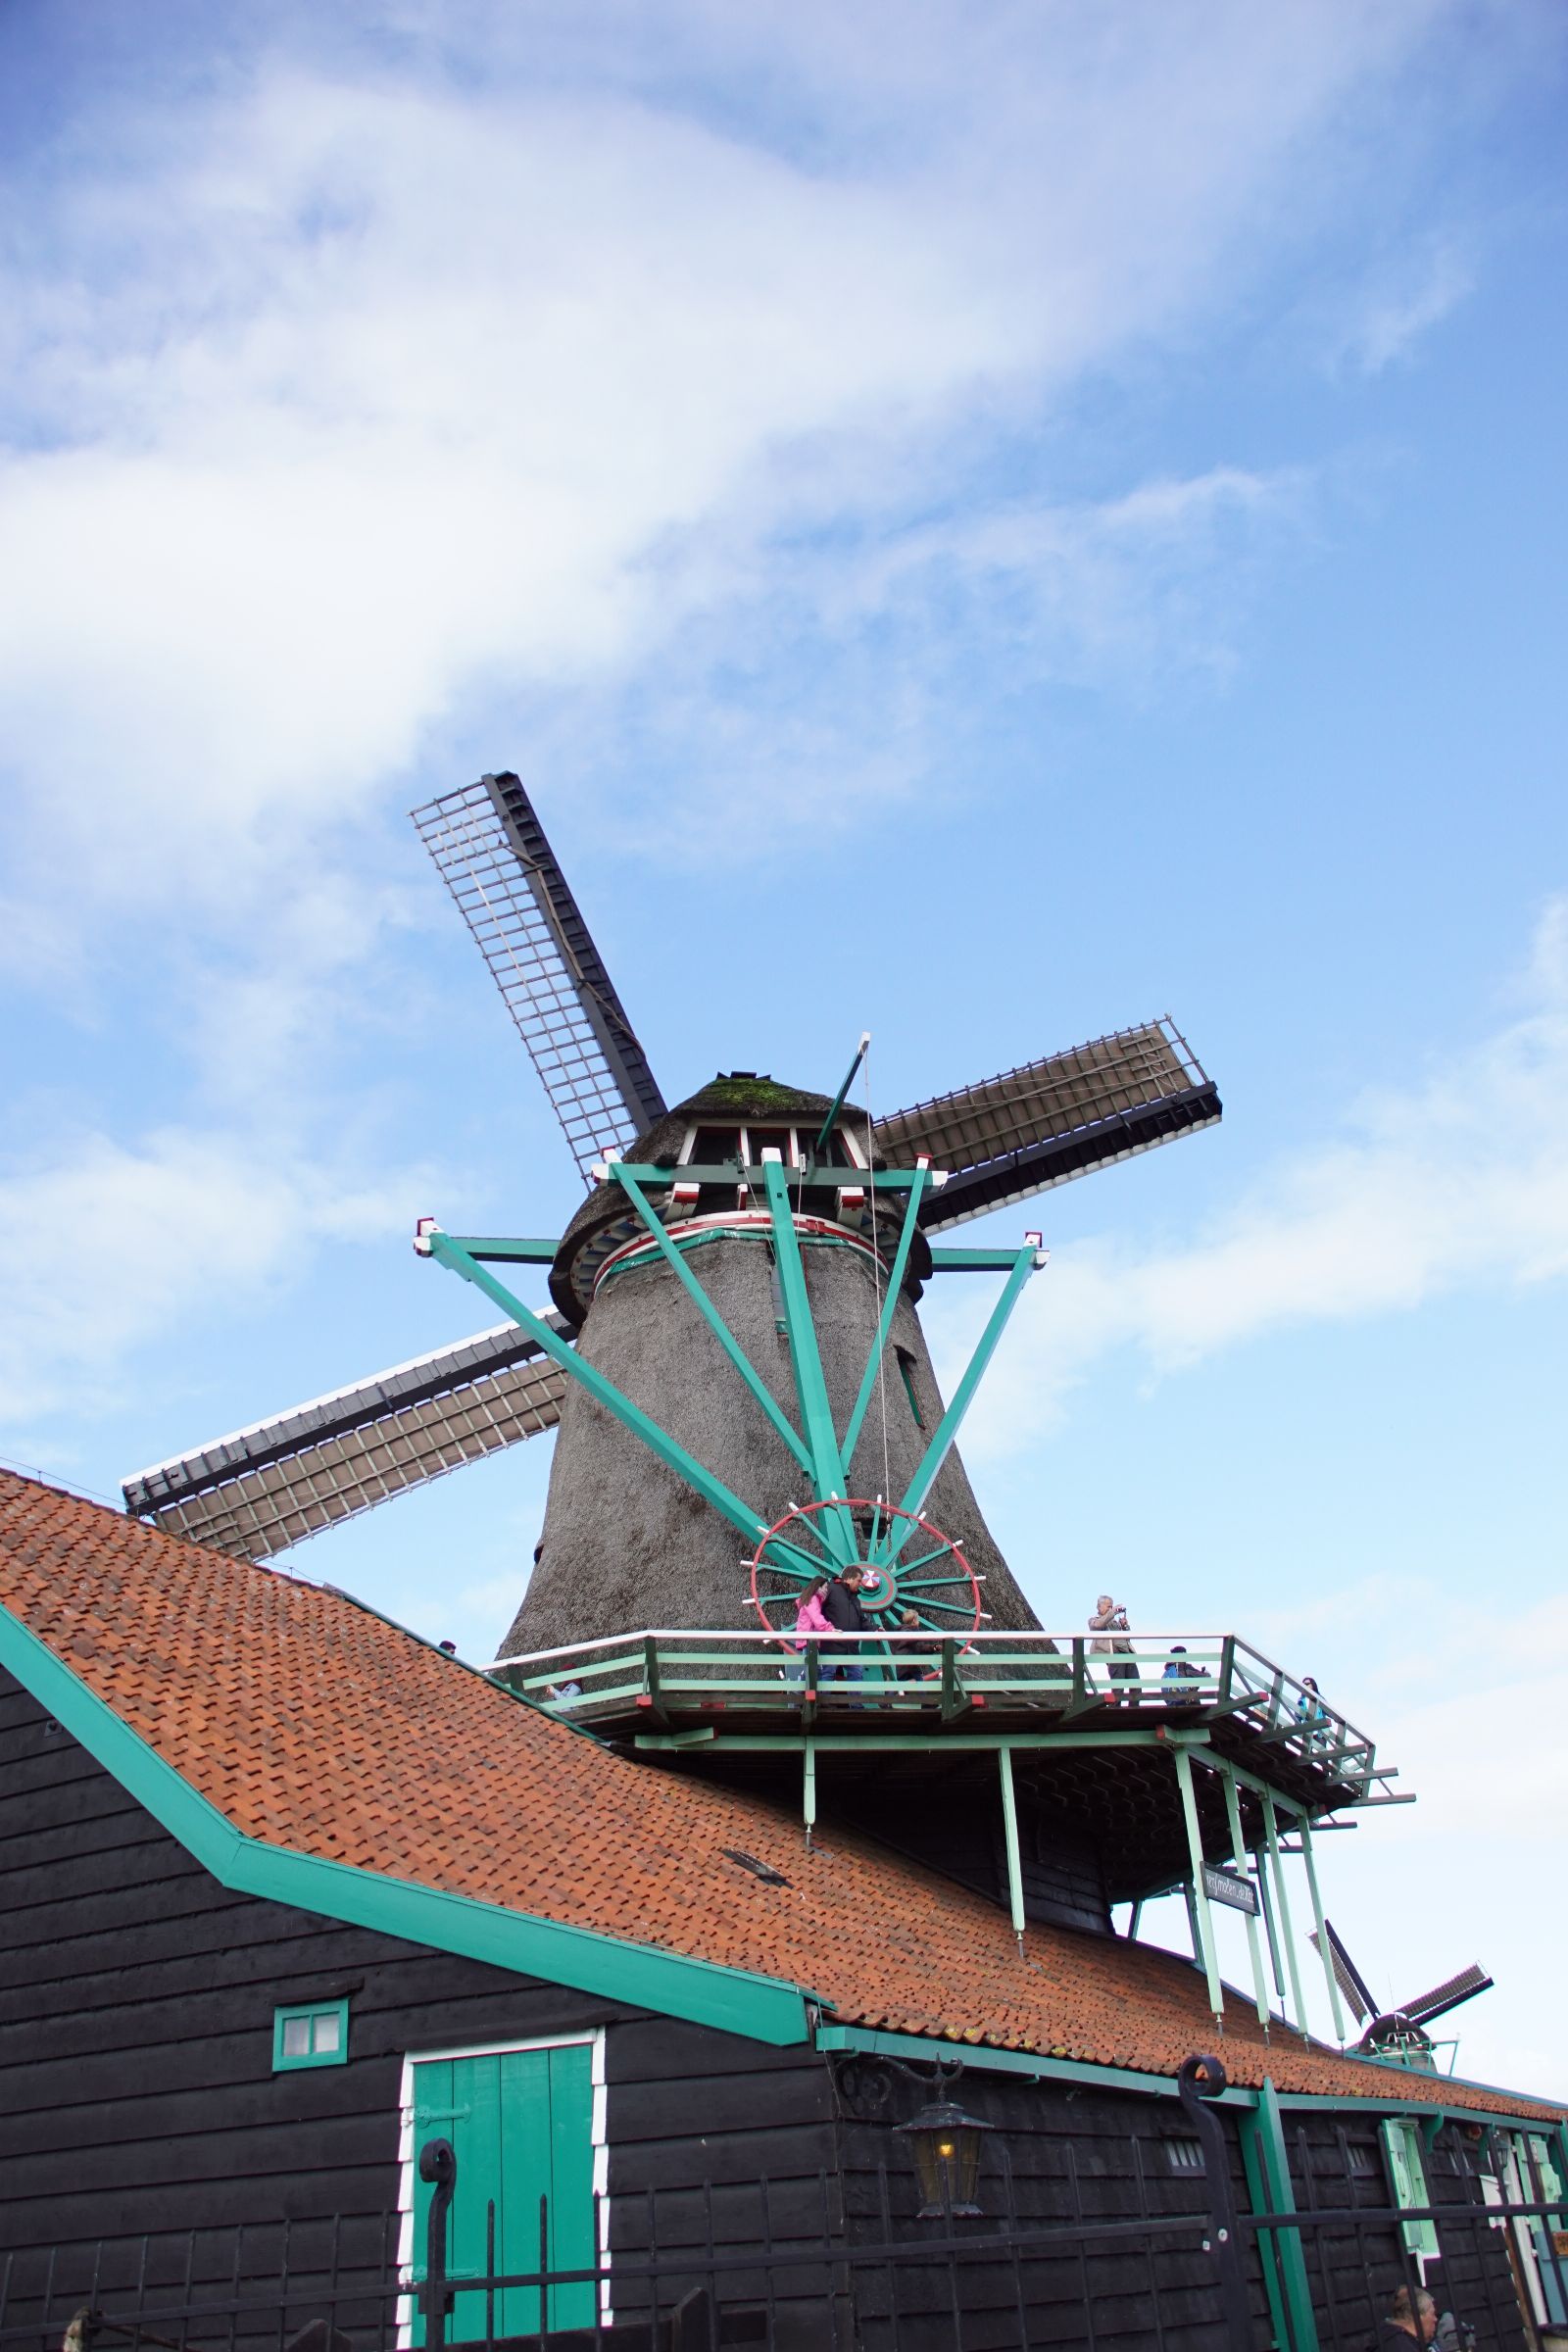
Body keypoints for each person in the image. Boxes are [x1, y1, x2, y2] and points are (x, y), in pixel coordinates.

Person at [820, 1567, 870, 1696]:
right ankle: (822, 1704)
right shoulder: (831, 1589)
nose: (861, 1584)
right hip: (832, 1644)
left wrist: (875, 1628)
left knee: (856, 1672)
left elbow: (861, 1620)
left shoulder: (855, 1599)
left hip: (850, 1647)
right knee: (828, 1673)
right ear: (848, 1578)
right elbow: (815, 1607)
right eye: (859, 1580)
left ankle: (855, 1706)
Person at [1090, 1595, 1139, 1702]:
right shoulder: (1094, 1620)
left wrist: (1125, 1626)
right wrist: (1113, 1612)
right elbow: (1098, 1625)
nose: (1110, 1609)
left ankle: (1134, 1708)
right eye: (1108, 1606)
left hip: (1127, 1654)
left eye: (1112, 1607)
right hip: (1114, 1656)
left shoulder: (1115, 1623)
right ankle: (1116, 1709)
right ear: (1099, 1607)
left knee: (1136, 1685)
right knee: (1118, 1688)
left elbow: (1126, 1640)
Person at [787, 1577, 832, 1690]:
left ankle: (802, 1691)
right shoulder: (813, 1600)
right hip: (809, 1639)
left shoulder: (811, 1599)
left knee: (812, 1668)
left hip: (808, 1639)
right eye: (826, 1587)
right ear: (818, 1587)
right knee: (813, 1669)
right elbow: (817, 1619)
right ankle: (799, 1689)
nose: (827, 1590)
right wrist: (830, 1629)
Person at [1372, 2286, 1438, 2350]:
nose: (1435, 2319)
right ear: (1416, 2315)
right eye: (1432, 2314)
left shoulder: (1391, 2336)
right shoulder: (1401, 2346)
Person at [1161, 1643, 1201, 1710]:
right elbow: (1202, 1678)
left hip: (1171, 1703)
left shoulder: (1166, 1673)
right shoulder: (1185, 1667)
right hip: (1186, 1702)